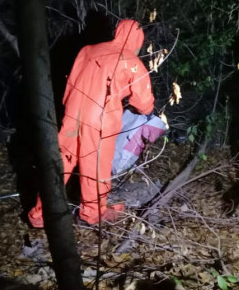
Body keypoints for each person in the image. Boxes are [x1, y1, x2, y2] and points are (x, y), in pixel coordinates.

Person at [28, 19, 155, 227]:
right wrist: (145, 110)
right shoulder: (132, 62)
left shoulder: (88, 50)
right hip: (101, 120)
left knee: (61, 162)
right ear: (138, 39)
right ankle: (93, 213)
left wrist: (71, 108)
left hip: (73, 113)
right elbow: (144, 103)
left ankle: (40, 213)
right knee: (96, 168)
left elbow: (71, 81)